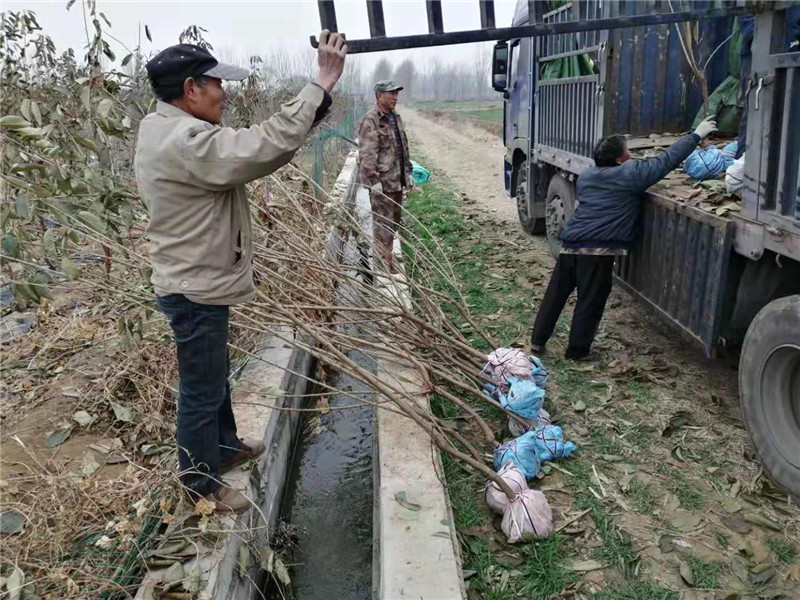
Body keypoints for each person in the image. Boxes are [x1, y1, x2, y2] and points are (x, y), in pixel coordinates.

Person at [134, 32, 347, 513]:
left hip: (196, 279)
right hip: (194, 287)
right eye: (216, 85)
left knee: (213, 378)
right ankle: (198, 485)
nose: (223, 93)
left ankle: (224, 445)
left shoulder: (162, 127)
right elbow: (261, 146)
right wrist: (322, 82)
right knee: (201, 388)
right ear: (191, 89)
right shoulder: (186, 140)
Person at [529, 116, 718, 360]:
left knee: (555, 295)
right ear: (620, 159)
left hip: (570, 245)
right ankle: (577, 352)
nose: (631, 154)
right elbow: (666, 161)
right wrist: (695, 135)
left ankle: (537, 342)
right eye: (628, 151)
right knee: (590, 301)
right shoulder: (631, 175)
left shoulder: (587, 176)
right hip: (597, 252)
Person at [358, 80, 413, 272]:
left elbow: (402, 148)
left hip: (396, 181)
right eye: (391, 93)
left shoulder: (395, 117)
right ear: (379, 96)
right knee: (383, 225)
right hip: (382, 184)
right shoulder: (371, 120)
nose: (395, 97)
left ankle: (387, 258)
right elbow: (367, 155)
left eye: (397, 93)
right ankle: (382, 267)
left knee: (393, 223)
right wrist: (373, 182)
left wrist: (408, 174)